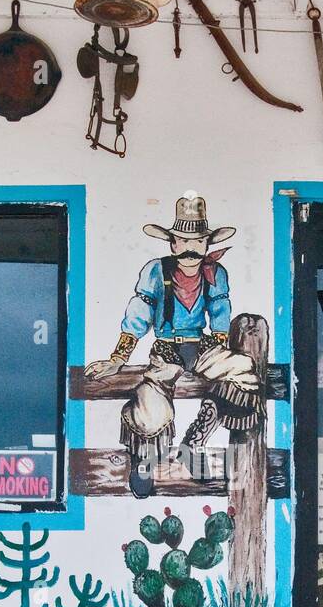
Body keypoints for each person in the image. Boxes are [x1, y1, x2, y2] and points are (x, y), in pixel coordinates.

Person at [85, 194, 262, 498]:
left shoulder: (215, 274)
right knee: (150, 402)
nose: (191, 249)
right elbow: (140, 308)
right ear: (172, 244)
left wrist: (221, 345)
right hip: (167, 349)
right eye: (183, 241)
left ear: (207, 245)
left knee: (245, 372)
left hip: (202, 346)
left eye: (199, 241)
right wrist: (119, 357)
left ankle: (195, 438)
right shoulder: (156, 271)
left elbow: (220, 309)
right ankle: (143, 461)